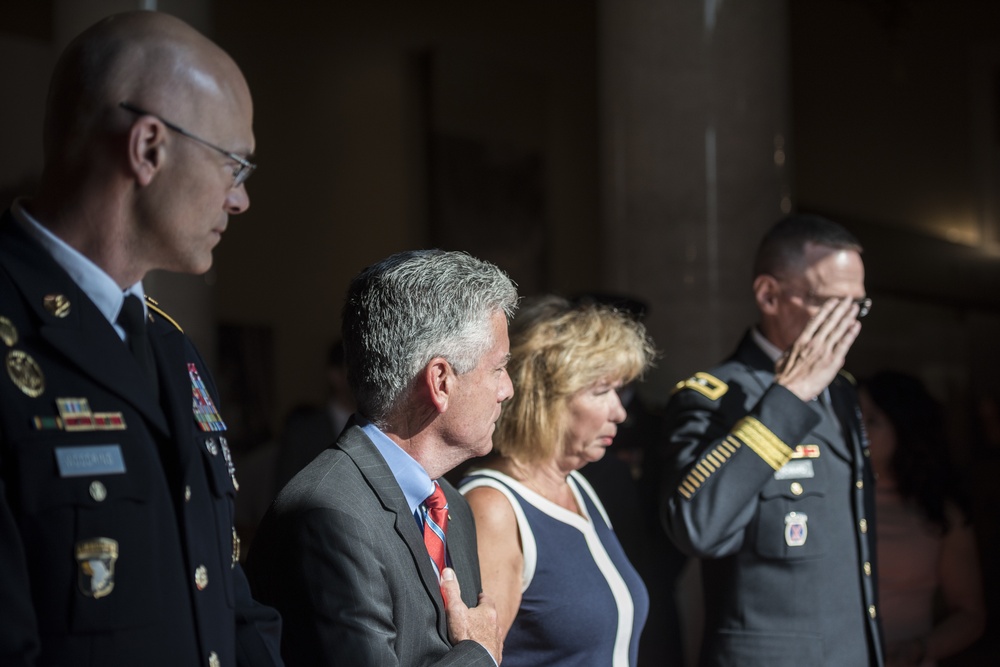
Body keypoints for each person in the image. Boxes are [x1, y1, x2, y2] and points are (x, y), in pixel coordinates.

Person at [0, 11, 282, 666]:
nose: (239, 201)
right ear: (149, 147)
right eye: (233, 165)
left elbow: (224, 595)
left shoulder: (170, 349)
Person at [245, 249, 514, 666]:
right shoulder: (331, 515)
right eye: (498, 369)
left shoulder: (450, 506)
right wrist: (479, 654)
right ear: (440, 380)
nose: (507, 389)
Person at [661, 214, 883, 666]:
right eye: (833, 304)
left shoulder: (841, 390)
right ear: (769, 295)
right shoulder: (713, 396)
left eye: (857, 307)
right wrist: (789, 397)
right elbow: (697, 528)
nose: (849, 325)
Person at [460, 295, 655, 666]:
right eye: (601, 391)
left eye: (619, 391)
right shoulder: (494, 506)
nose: (619, 411)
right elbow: (480, 658)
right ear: (544, 399)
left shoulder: (577, 485)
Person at [860, 371, 985, 666]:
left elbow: (970, 613)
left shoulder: (939, 512)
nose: (858, 429)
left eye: (872, 420)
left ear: (904, 427)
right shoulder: (827, 502)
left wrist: (918, 649)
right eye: (855, 416)